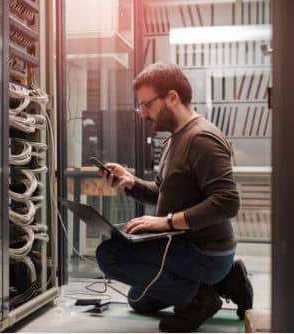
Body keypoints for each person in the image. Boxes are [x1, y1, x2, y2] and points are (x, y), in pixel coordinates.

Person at [95, 63, 253, 332]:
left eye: (147, 105)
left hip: (204, 251)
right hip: (184, 245)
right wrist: (131, 183)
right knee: (138, 300)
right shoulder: (173, 140)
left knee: (110, 256)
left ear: (172, 97)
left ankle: (201, 298)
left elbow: (227, 202)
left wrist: (165, 223)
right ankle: (226, 280)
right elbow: (163, 192)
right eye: (141, 107)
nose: (143, 114)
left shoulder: (202, 138)